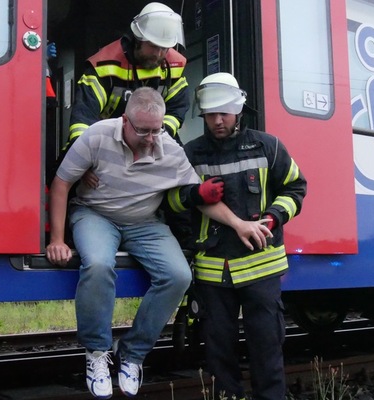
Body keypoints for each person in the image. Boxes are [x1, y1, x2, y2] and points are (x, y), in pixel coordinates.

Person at [46, 87, 272, 399]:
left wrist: (238, 223)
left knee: (179, 276)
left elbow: (199, 199)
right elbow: (62, 182)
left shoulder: (168, 148)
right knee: (98, 264)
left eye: (158, 129)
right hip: (96, 214)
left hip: (144, 222)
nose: (152, 138)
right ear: (125, 121)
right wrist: (57, 239)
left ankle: (133, 354)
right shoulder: (97, 136)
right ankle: (97, 352)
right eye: (144, 130)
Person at [173, 72, 307, 400]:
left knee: (267, 351)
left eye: (224, 114)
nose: (217, 121)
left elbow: (296, 188)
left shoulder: (269, 147)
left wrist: (274, 218)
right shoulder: (191, 154)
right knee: (219, 355)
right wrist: (193, 196)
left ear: (238, 111)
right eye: (210, 115)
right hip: (213, 274)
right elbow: (172, 201)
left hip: (262, 269)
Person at [62, 2, 189, 189]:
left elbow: (176, 111)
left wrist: (156, 139)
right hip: (107, 143)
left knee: (182, 176)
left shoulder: (175, 66)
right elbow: (83, 119)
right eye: (154, 46)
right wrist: (85, 161)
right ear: (138, 39)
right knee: (67, 172)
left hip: (152, 140)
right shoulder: (104, 65)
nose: (159, 54)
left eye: (165, 48)